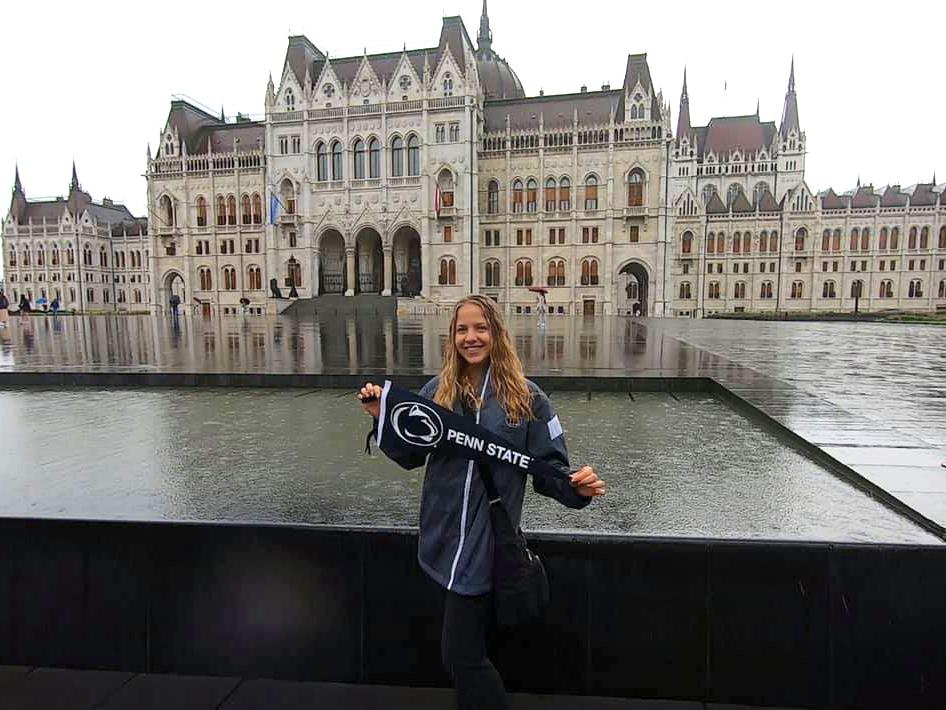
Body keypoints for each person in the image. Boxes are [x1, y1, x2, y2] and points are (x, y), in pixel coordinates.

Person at [358, 294, 605, 710]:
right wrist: (381, 416)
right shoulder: (438, 390)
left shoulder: (529, 399)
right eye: (461, 329)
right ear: (452, 337)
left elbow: (551, 471)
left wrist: (576, 489)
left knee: (460, 655)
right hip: (440, 534)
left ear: (497, 334)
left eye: (480, 328)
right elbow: (411, 454)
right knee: (463, 653)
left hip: (485, 543)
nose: (470, 337)